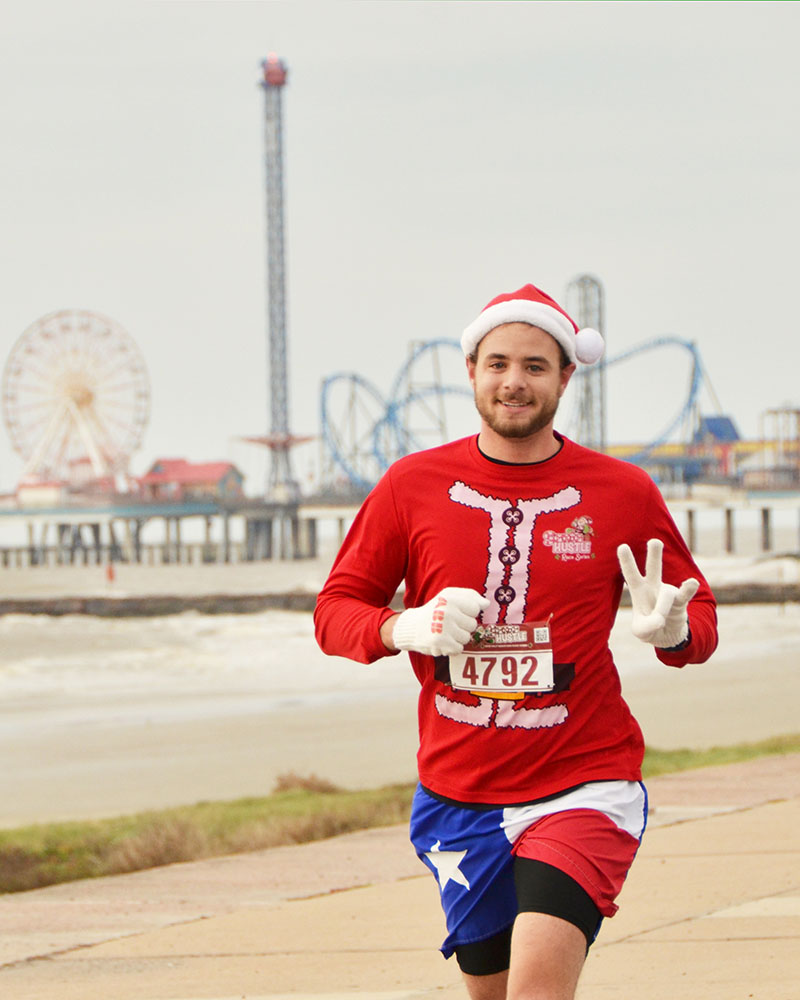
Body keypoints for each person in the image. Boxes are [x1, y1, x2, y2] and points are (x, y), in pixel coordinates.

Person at [314, 283, 718, 1000]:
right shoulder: (412, 486)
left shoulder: (622, 491)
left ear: (567, 377)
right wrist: (402, 625)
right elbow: (336, 610)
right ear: (470, 371)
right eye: (497, 363)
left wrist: (677, 633)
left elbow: (698, 615)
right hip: (457, 794)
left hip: (583, 781)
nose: (514, 382)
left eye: (536, 366)